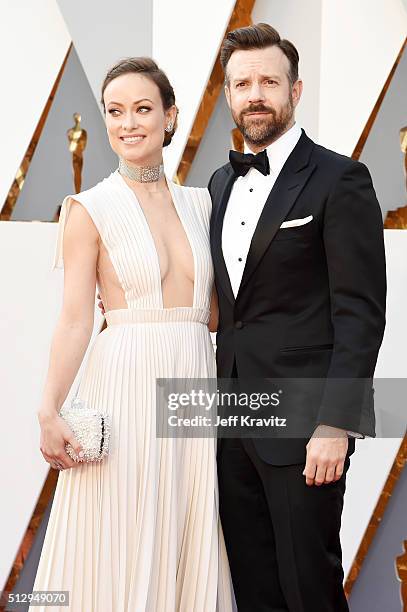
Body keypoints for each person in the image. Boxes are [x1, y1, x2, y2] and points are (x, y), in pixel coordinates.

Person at [32, 57, 234, 612]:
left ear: (169, 118)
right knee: (123, 526)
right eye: (115, 112)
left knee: (186, 519)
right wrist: (49, 410)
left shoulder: (202, 203)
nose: (128, 123)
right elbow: (75, 318)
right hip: (125, 383)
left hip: (194, 381)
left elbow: (214, 314)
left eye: (142, 109)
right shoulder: (89, 209)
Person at [208, 23, 386, 612]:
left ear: (295, 90)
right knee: (254, 589)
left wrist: (336, 426)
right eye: (242, 83)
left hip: (305, 427)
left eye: (268, 81)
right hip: (231, 421)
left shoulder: (341, 179)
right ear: (229, 95)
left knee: (309, 588)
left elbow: (360, 314)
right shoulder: (219, 183)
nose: (255, 93)